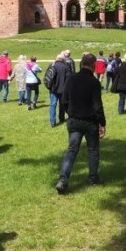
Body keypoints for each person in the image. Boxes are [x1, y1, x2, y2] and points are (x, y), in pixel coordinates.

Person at [55, 53, 106, 194]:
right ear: (93, 65)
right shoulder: (94, 83)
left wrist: (70, 112)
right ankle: (93, 178)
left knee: (72, 150)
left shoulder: (71, 79)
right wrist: (102, 123)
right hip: (90, 122)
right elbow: (97, 106)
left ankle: (63, 180)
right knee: (93, 150)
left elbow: (64, 100)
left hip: (74, 120)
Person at [49, 54, 72, 127]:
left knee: (53, 105)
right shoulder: (66, 67)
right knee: (62, 105)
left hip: (53, 89)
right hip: (63, 89)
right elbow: (69, 79)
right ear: (62, 59)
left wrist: (50, 87)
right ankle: (61, 118)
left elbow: (48, 77)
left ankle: (52, 122)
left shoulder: (52, 66)